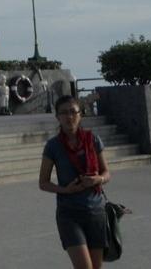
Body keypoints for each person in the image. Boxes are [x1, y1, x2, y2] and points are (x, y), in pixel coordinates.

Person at [39, 94, 112, 269]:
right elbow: (43, 182)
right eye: (63, 112)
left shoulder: (93, 140)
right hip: (69, 214)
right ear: (57, 117)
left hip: (96, 212)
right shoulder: (53, 146)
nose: (69, 116)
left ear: (81, 114)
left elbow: (107, 173)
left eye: (73, 111)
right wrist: (66, 190)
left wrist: (98, 179)